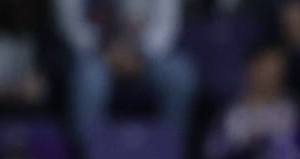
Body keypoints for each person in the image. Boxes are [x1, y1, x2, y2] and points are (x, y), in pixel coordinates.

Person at [53, 0, 196, 142]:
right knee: (89, 79)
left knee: (180, 74)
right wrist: (105, 50)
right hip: (95, 53)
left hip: (146, 53)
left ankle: (168, 149)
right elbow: (71, 25)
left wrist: (139, 54)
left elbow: (166, 26)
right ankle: (89, 154)